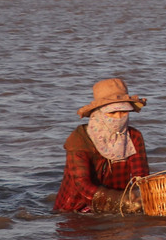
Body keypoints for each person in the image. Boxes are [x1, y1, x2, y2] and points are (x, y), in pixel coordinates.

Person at [53, 78, 148, 213]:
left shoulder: (134, 137)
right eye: (112, 112)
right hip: (77, 208)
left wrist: (140, 196)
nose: (118, 117)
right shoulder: (79, 139)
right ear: (98, 113)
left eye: (124, 112)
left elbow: (141, 178)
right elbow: (82, 184)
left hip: (119, 206)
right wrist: (121, 199)